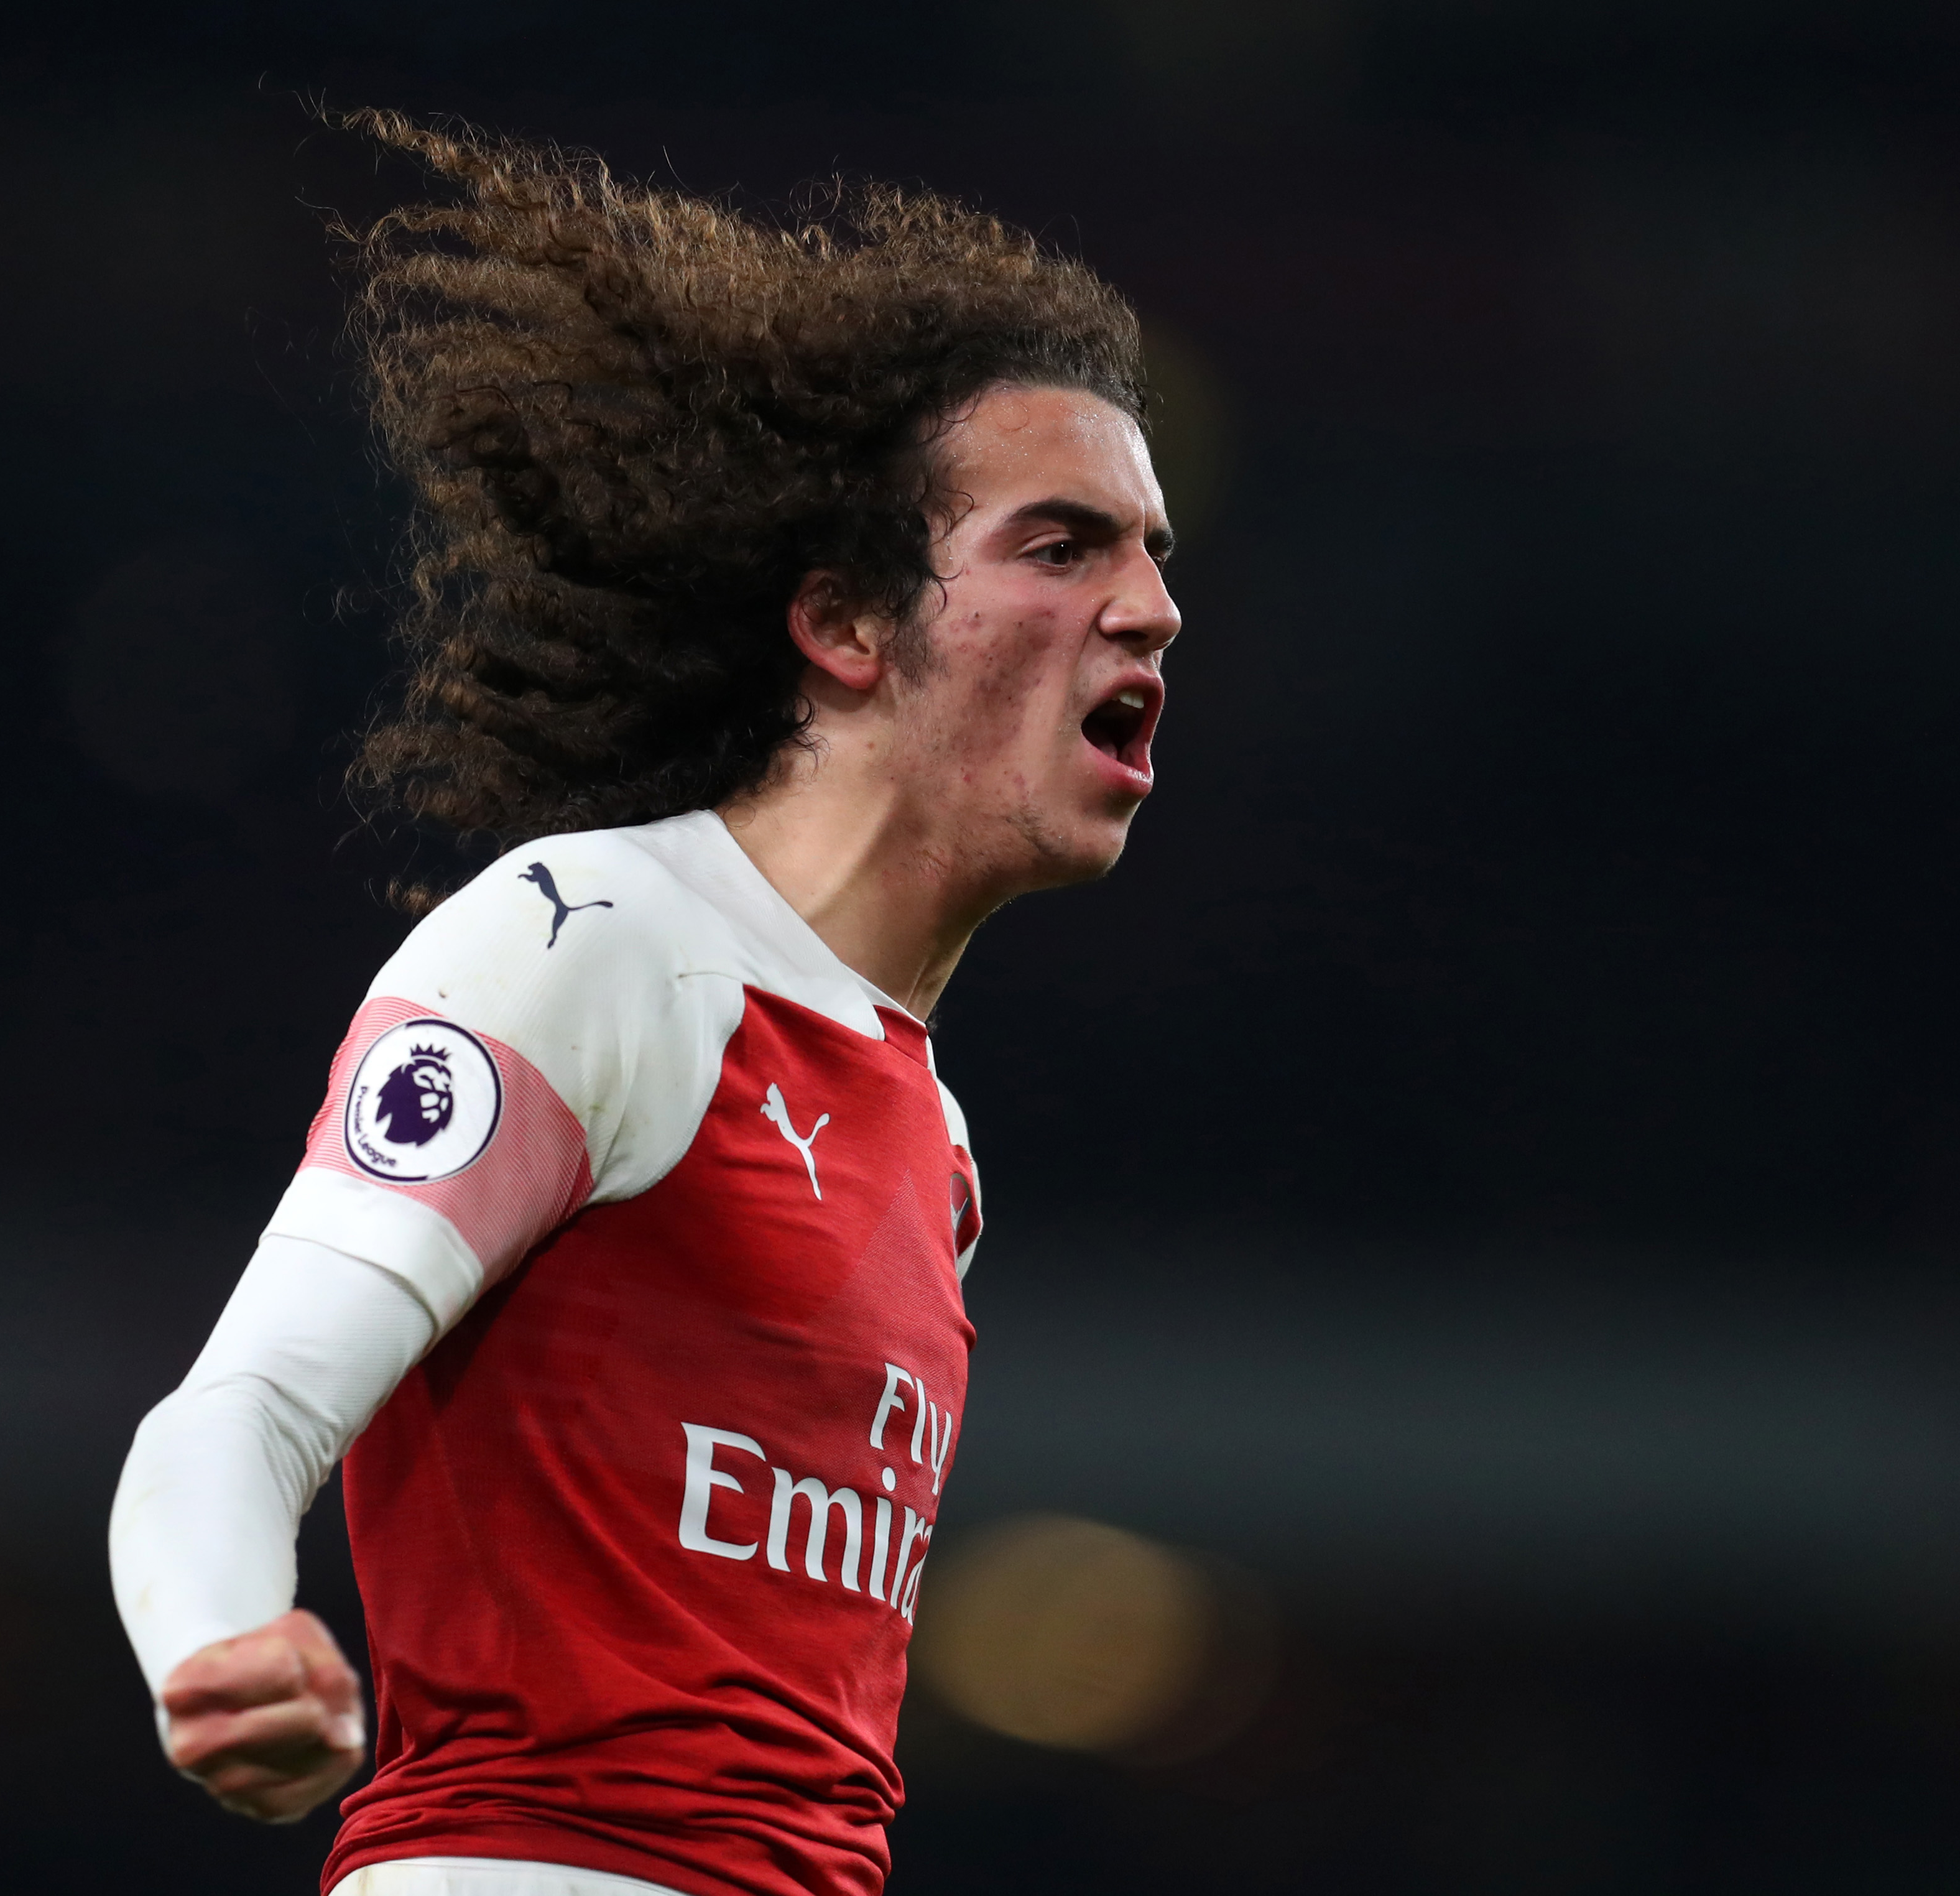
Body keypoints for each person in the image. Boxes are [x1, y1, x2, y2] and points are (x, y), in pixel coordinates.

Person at [108, 114, 1179, 1896]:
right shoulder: (591, 940)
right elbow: (232, 1413)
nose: (1148, 609)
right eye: (1058, 546)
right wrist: (220, 1642)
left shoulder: (937, 1143)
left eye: (1150, 556)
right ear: (846, 623)